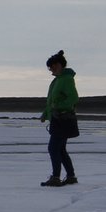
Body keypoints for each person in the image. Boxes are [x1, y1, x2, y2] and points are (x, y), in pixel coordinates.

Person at [40, 50, 80, 187]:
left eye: (52, 66)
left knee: (53, 148)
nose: (51, 69)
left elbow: (73, 98)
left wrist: (60, 107)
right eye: (49, 67)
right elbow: (51, 101)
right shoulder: (56, 81)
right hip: (57, 120)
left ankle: (56, 177)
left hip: (63, 120)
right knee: (60, 149)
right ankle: (71, 176)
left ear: (59, 65)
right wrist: (46, 113)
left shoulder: (67, 79)